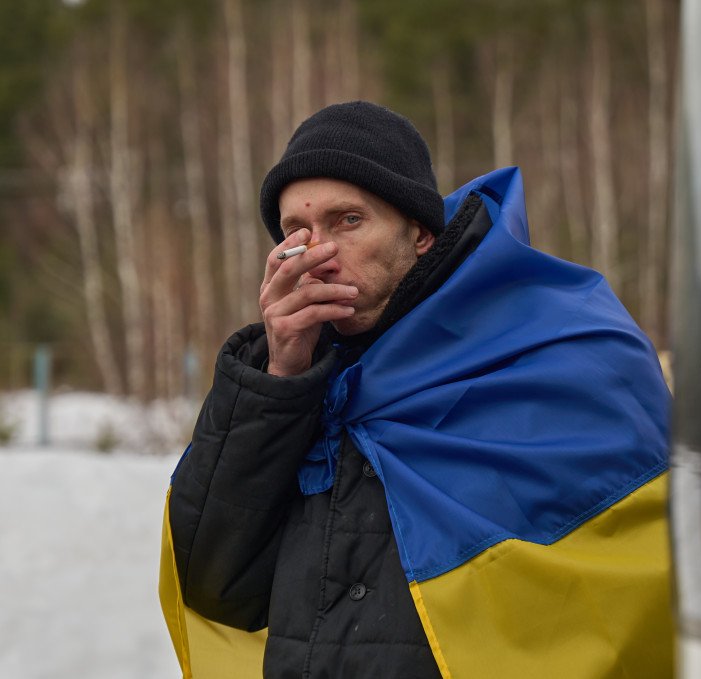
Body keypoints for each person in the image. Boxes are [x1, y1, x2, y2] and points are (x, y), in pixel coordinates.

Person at [160, 101, 673, 679]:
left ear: (421, 232)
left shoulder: (556, 350)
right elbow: (216, 586)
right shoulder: (291, 385)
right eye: (295, 233)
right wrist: (278, 383)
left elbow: (631, 593)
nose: (317, 256)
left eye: (347, 221)